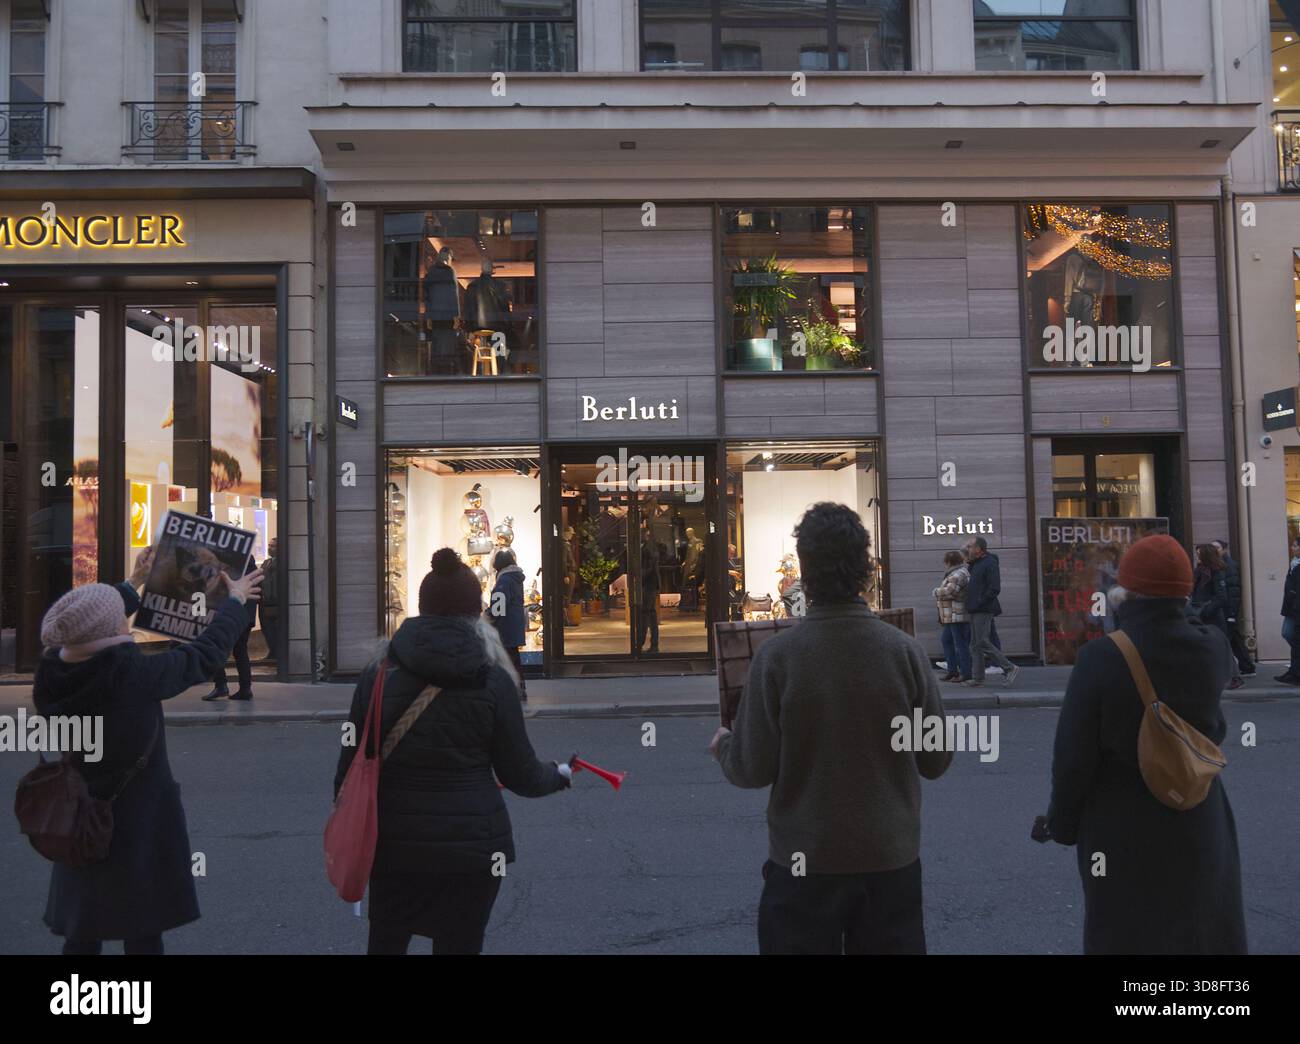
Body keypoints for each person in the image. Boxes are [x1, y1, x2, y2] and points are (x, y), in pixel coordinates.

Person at [711, 502, 952, 954]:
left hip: (805, 861)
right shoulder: (904, 652)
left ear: (804, 571)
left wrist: (725, 746)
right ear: (865, 568)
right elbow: (936, 762)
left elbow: (753, 769)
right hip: (890, 859)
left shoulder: (778, 658)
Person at [334, 548, 570, 955]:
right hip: (473, 849)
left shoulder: (378, 673)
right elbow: (521, 775)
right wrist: (559, 775)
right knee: (460, 944)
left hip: (394, 846)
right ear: (475, 611)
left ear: (421, 608)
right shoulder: (494, 678)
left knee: (386, 942)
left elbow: (348, 767)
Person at [32, 546, 263, 955]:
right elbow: (205, 654)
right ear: (113, 628)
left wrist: (135, 581)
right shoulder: (131, 675)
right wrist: (235, 601)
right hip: (139, 819)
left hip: (80, 816)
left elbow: (87, 622)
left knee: (83, 927)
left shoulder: (53, 673)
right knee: (142, 927)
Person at [1044, 534, 1247, 954]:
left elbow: (1073, 757)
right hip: (1198, 812)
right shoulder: (1213, 647)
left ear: (1127, 591)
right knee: (1200, 931)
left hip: (1124, 823)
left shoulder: (1102, 657)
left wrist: (1062, 824)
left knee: (1127, 932)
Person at [963, 537, 1019, 688]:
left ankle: (1009, 668)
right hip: (975, 608)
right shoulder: (975, 564)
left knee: (981, 641)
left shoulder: (990, 562)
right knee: (974, 645)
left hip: (984, 608)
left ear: (979, 549)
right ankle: (978, 678)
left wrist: (980, 601)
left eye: (970, 546)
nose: (967, 549)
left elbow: (994, 588)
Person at [203, 554, 258, 701]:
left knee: (217, 647)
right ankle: (244, 689)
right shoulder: (244, 562)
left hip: (236, 613)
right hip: (240, 614)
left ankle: (222, 685)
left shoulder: (238, 563)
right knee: (240, 651)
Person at [1191, 543, 1241, 690]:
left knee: (1221, 646)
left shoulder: (1216, 571)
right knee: (1207, 647)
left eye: (1199, 553)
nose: (1197, 556)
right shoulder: (1199, 570)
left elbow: (1221, 597)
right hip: (1201, 613)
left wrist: (1205, 610)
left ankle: (1234, 677)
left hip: (1211, 615)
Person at [488, 547, 527, 702]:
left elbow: (498, 607)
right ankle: (519, 689)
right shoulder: (515, 578)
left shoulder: (504, 580)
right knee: (514, 658)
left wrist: (487, 616)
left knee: (506, 659)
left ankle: (512, 691)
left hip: (505, 626)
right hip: (514, 624)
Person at [1210, 539, 1254, 678]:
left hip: (1227, 609)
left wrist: (1232, 612)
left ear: (1224, 550)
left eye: (1216, 547)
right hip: (1225, 609)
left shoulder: (1229, 566)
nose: (1214, 550)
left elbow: (1234, 591)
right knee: (1234, 638)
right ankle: (1247, 666)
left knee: (1228, 639)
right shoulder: (1219, 565)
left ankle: (1235, 671)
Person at [932, 550, 972, 682]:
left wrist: (936, 591)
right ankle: (953, 671)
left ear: (948, 562)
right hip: (951, 615)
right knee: (947, 641)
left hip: (957, 615)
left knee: (960, 644)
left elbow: (950, 592)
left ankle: (965, 673)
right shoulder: (958, 572)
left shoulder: (958, 574)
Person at [1276, 537, 1300, 685]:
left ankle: (1294, 673)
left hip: (1296, 610)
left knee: (1290, 635)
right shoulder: (1294, 564)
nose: (1292, 548)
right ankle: (1293, 672)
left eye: (1295, 546)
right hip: (1291, 609)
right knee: (1289, 635)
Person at [637, 521, 661, 653]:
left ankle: (645, 643)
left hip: (649, 585)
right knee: (649, 614)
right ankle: (650, 644)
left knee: (647, 614)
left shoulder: (648, 548)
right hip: (651, 584)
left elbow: (649, 568)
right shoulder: (650, 547)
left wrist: (639, 577)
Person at [258, 537, 279, 662]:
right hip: (265, 602)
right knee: (267, 629)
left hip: (276, 602)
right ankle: (272, 651)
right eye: (269, 545)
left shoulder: (283, 562)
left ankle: (277, 653)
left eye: (273, 546)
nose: (269, 548)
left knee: (276, 629)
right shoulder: (266, 563)